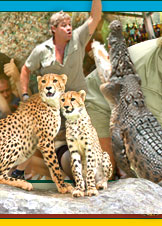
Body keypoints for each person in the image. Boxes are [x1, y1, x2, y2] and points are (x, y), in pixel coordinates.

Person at [16, 0, 110, 180]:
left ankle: (101, 173)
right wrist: (25, 94)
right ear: (53, 29)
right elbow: (26, 70)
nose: (68, 28)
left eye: (69, 25)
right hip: (53, 105)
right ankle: (19, 171)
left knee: (90, 140)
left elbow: (95, 17)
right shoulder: (41, 50)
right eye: (63, 25)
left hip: (80, 104)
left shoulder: (78, 37)